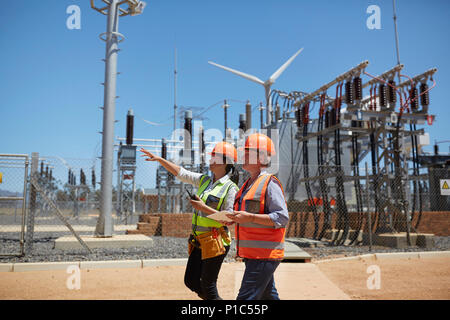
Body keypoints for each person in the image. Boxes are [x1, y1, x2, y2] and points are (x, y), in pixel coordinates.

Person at [140, 142, 239, 300]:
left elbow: (229, 219)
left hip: (216, 241)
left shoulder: (230, 188)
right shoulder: (205, 181)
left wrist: (203, 207)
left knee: (208, 286)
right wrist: (160, 159)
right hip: (199, 240)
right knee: (191, 281)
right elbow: (181, 173)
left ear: (225, 162)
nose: (210, 159)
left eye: (214, 156)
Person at [225, 133, 289, 300]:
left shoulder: (270, 183)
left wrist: (250, 218)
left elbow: (282, 218)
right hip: (254, 254)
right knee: (268, 296)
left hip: (264, 255)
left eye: (247, 152)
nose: (243, 156)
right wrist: (233, 218)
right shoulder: (247, 184)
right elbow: (247, 215)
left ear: (260, 156)